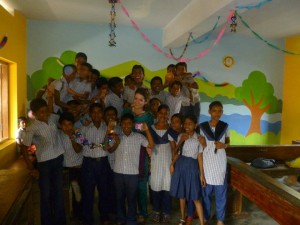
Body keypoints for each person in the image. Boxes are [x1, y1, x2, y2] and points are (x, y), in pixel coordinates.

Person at [21, 98, 66, 225]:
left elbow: (65, 122)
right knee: (45, 195)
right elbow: (24, 147)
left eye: (46, 110)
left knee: (58, 192)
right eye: (41, 112)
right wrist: (31, 168)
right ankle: (46, 222)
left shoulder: (52, 118)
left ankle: (60, 221)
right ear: (34, 114)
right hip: (44, 164)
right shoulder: (32, 128)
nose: (45, 114)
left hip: (58, 159)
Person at [110, 113, 154, 225]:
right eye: (124, 123)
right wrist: (114, 140)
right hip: (118, 172)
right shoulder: (116, 136)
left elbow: (151, 145)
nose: (126, 125)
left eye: (129, 123)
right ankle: (121, 218)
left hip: (132, 173)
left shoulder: (139, 137)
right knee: (119, 197)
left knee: (132, 198)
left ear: (133, 124)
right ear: (120, 124)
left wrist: (147, 130)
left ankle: (131, 220)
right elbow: (108, 149)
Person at [80, 103, 114, 225]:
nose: (96, 115)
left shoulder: (108, 128)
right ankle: (87, 219)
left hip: (103, 163)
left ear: (102, 114)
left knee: (104, 191)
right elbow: (79, 139)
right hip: (88, 163)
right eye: (93, 112)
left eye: (99, 112)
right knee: (87, 192)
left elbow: (108, 144)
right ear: (90, 114)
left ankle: (104, 217)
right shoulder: (85, 128)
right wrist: (96, 145)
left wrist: (109, 132)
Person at [170, 115, 206, 225]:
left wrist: (202, 175)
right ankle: (182, 218)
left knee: (195, 197)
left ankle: (202, 222)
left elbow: (200, 157)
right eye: (185, 123)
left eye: (190, 123)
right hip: (180, 166)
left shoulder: (199, 138)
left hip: (192, 168)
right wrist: (172, 164)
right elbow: (176, 152)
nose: (187, 125)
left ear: (195, 125)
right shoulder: (181, 135)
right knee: (182, 195)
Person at [198, 101, 230, 225]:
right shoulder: (202, 127)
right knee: (205, 195)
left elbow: (228, 142)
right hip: (207, 166)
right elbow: (200, 151)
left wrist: (224, 145)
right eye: (214, 110)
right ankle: (206, 217)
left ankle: (220, 220)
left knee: (221, 195)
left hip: (220, 165)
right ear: (209, 111)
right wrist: (201, 173)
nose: (217, 113)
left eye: (220, 111)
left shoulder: (225, 126)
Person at [149, 104, 175, 223]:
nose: (163, 115)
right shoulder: (150, 128)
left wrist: (173, 163)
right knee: (155, 186)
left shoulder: (172, 129)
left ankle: (166, 212)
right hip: (155, 162)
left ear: (168, 115)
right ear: (157, 113)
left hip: (167, 162)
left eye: (166, 113)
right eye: (161, 113)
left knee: (167, 187)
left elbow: (175, 149)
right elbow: (136, 127)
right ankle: (156, 211)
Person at [58, 112, 83, 220]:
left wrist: (73, 140)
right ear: (60, 125)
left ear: (73, 125)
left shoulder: (79, 134)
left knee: (77, 194)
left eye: (69, 124)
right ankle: (68, 215)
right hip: (65, 168)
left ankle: (78, 215)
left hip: (78, 167)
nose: (67, 127)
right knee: (66, 193)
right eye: (64, 124)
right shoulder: (58, 135)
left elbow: (79, 150)